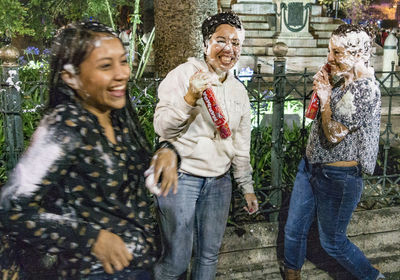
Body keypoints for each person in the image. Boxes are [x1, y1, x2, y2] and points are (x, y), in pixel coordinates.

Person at [0, 21, 179, 279]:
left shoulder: (115, 114)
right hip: (91, 272)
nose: (122, 74)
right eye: (106, 66)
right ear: (70, 77)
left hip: (136, 267)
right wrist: (91, 237)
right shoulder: (64, 126)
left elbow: (128, 171)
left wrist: (167, 151)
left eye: (123, 61)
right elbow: (11, 208)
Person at [152, 11, 258, 280]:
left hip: (219, 183)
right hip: (181, 177)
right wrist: (190, 97)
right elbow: (163, 128)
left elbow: (240, 144)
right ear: (206, 43)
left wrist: (246, 186)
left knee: (208, 256)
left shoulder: (239, 91)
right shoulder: (183, 75)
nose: (229, 49)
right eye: (221, 41)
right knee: (176, 261)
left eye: (236, 44)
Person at [283, 24, 384, 280]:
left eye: (336, 52)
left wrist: (326, 97)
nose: (329, 58)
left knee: (333, 243)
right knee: (293, 230)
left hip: (339, 178)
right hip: (309, 168)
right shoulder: (341, 81)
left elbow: (335, 133)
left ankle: (373, 277)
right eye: (330, 51)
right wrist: (322, 90)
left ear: (358, 55)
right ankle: (291, 275)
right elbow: (315, 118)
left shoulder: (366, 88)